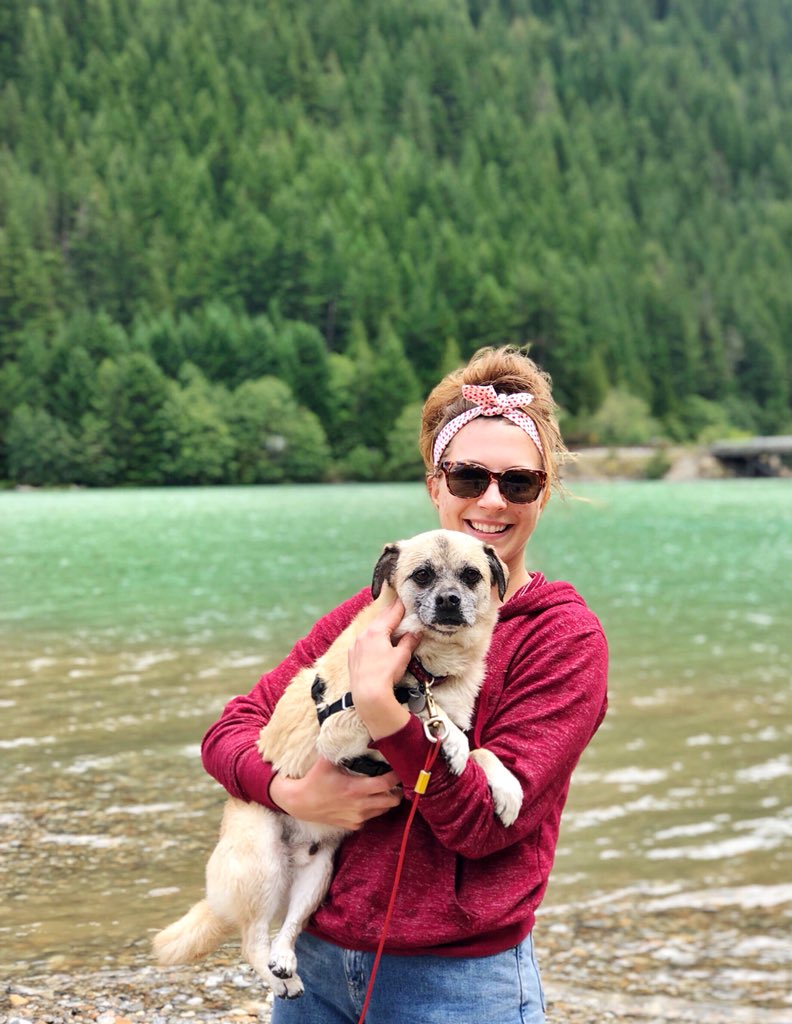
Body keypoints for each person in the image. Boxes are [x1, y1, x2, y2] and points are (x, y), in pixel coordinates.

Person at [201, 345, 608, 1023]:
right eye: (469, 476)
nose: (491, 500)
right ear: (434, 485)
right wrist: (291, 791)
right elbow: (228, 731)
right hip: (315, 965)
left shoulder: (562, 639)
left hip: (458, 982)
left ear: (546, 490)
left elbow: (483, 825)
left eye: (519, 483)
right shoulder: (370, 616)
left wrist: (381, 712)